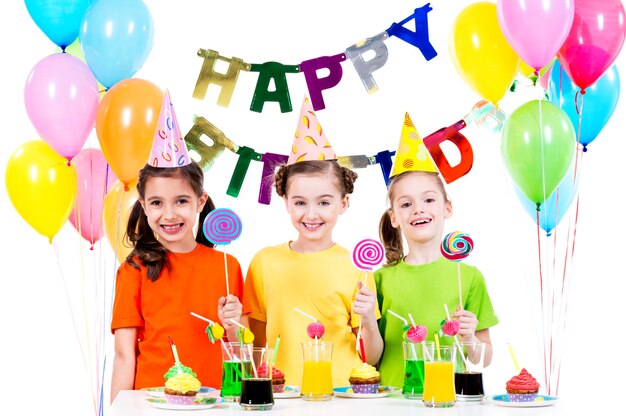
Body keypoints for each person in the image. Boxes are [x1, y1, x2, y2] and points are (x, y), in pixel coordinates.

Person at [110, 91, 245, 402]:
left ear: (200, 201)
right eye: (157, 203)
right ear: (143, 205)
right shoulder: (134, 270)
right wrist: (118, 411)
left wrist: (234, 325)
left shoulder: (228, 266)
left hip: (217, 403)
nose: (169, 214)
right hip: (153, 403)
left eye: (181, 201)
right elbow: (123, 355)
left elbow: (241, 351)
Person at [242, 97, 383, 387]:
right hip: (281, 392)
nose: (311, 214)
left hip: (342, 391)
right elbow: (254, 342)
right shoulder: (264, 262)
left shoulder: (357, 265)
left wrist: (368, 319)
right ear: (286, 203)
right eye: (300, 202)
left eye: (324, 202)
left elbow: (372, 358)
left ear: (343, 203)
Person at [374, 114, 498, 389]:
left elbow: (484, 357)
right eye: (406, 204)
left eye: (429, 199)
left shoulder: (468, 277)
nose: (418, 209)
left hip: (449, 399)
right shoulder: (380, 279)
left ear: (447, 208)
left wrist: (469, 339)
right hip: (393, 403)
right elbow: (371, 355)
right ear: (394, 217)